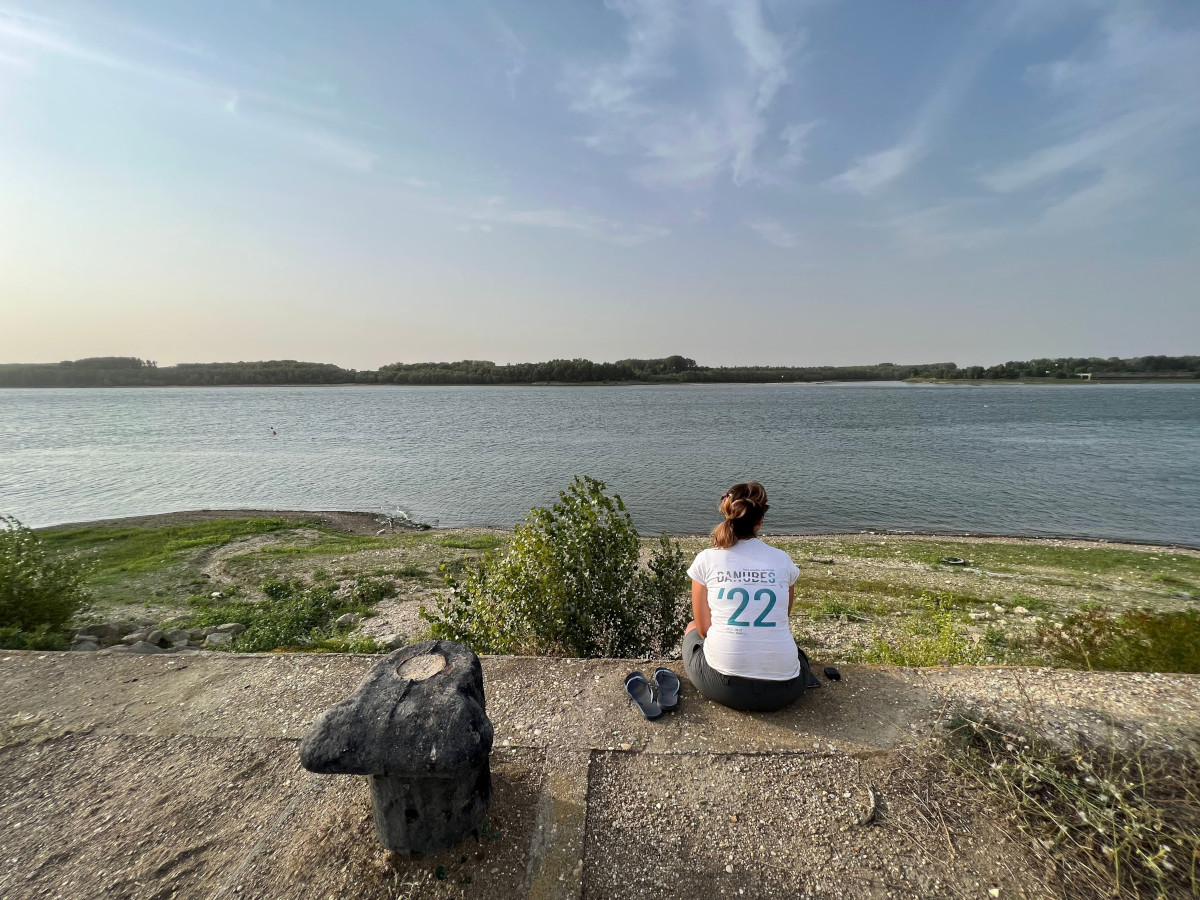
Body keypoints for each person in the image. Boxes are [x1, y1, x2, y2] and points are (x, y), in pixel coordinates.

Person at [683, 481, 814, 712]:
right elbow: (783, 616)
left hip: (724, 688)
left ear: (727, 514)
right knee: (790, 646)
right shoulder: (782, 560)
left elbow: (703, 630)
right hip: (786, 690)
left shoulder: (706, 559)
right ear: (760, 521)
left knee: (692, 627)